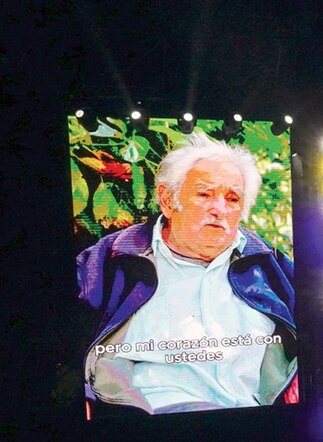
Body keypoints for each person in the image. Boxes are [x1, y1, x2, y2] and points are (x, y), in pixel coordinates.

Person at [76, 132, 296, 414]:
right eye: (205, 194)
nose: (219, 209)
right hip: (152, 423)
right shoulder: (110, 259)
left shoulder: (269, 263)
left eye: (232, 199)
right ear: (168, 201)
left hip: (258, 418)